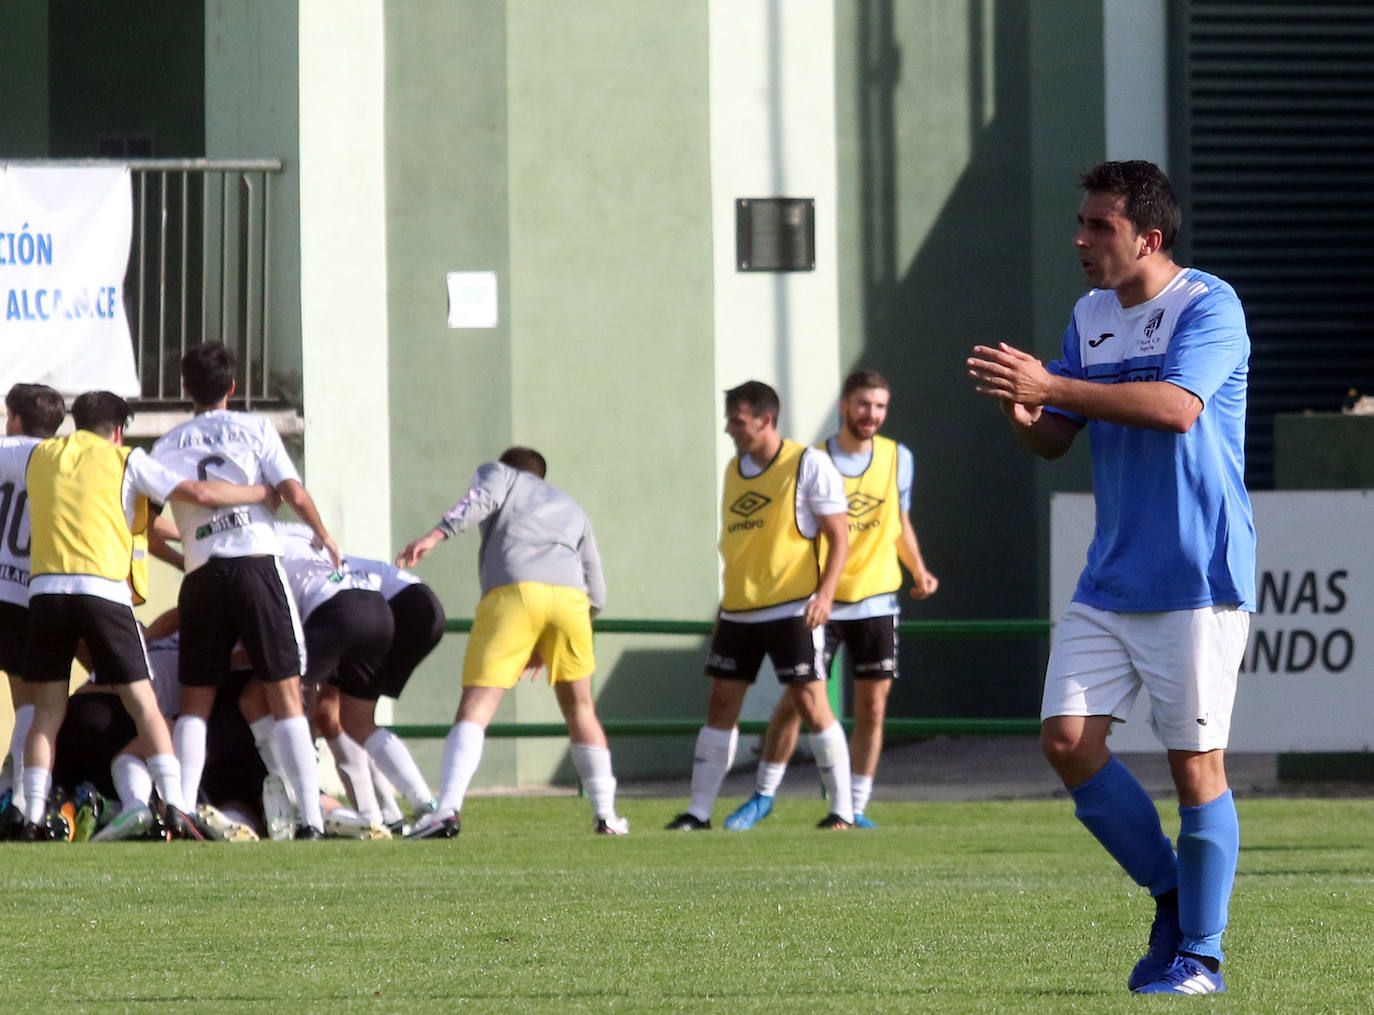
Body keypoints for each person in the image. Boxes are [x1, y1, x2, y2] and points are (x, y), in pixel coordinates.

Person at [967, 159, 1254, 996]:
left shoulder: (1210, 306)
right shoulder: (1090, 315)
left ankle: (1200, 956)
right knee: (1065, 740)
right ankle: (1172, 892)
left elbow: (1175, 409)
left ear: (1148, 238)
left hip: (1197, 577)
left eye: (1100, 226)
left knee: (1196, 765)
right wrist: (1023, 409)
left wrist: (1053, 384)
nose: (1081, 239)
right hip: (1111, 576)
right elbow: (1055, 436)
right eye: (1082, 222)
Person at [0, 390, 272, 840]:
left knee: (46, 710)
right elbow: (195, 492)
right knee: (144, 704)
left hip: (46, 592)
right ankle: (175, 807)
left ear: (76, 421)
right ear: (119, 430)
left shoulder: (41, 455)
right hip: (103, 591)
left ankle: (30, 814)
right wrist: (260, 491)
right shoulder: (127, 460)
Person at [723, 370, 938, 831]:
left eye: (880, 406)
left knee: (872, 709)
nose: (872, 415)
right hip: (821, 601)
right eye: (863, 404)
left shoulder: (898, 457)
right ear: (844, 405)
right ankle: (762, 796)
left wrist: (918, 570)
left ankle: (852, 808)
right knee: (797, 703)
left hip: (878, 600)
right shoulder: (811, 459)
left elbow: (900, 521)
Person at [151, 342, 339, 839]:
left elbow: (142, 526)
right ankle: (311, 818)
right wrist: (322, 533)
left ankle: (183, 812)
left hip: (203, 574)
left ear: (185, 388)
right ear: (232, 387)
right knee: (285, 695)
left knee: (196, 702)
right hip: (255, 564)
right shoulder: (256, 428)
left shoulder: (166, 446)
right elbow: (291, 492)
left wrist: (184, 553)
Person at [396, 446, 628, 838]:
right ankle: (606, 816)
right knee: (581, 709)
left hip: (515, 591)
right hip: (572, 602)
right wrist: (550, 636)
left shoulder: (500, 475)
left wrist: (435, 535)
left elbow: (480, 499)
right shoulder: (573, 507)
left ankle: (447, 808)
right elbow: (598, 589)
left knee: (478, 705)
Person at [666, 380, 855, 831]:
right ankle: (698, 812)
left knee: (812, 704)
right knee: (720, 707)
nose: (731, 429)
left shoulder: (809, 464)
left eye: (739, 421)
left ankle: (843, 811)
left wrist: (825, 595)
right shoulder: (736, 468)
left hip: (792, 608)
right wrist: (723, 608)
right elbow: (739, 546)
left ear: (766, 419)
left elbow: (839, 535)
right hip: (738, 611)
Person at [273, 522, 437, 833]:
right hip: (404, 604)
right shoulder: (297, 531)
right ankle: (414, 809)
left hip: (382, 605)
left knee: (302, 706)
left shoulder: (266, 541)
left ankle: (327, 814)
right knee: (346, 718)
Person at [0, 383, 67, 837]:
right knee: (31, 701)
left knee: (24, 698)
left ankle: (14, 791)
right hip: (28, 591)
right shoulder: (63, 460)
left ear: (18, 419)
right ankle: (23, 804)